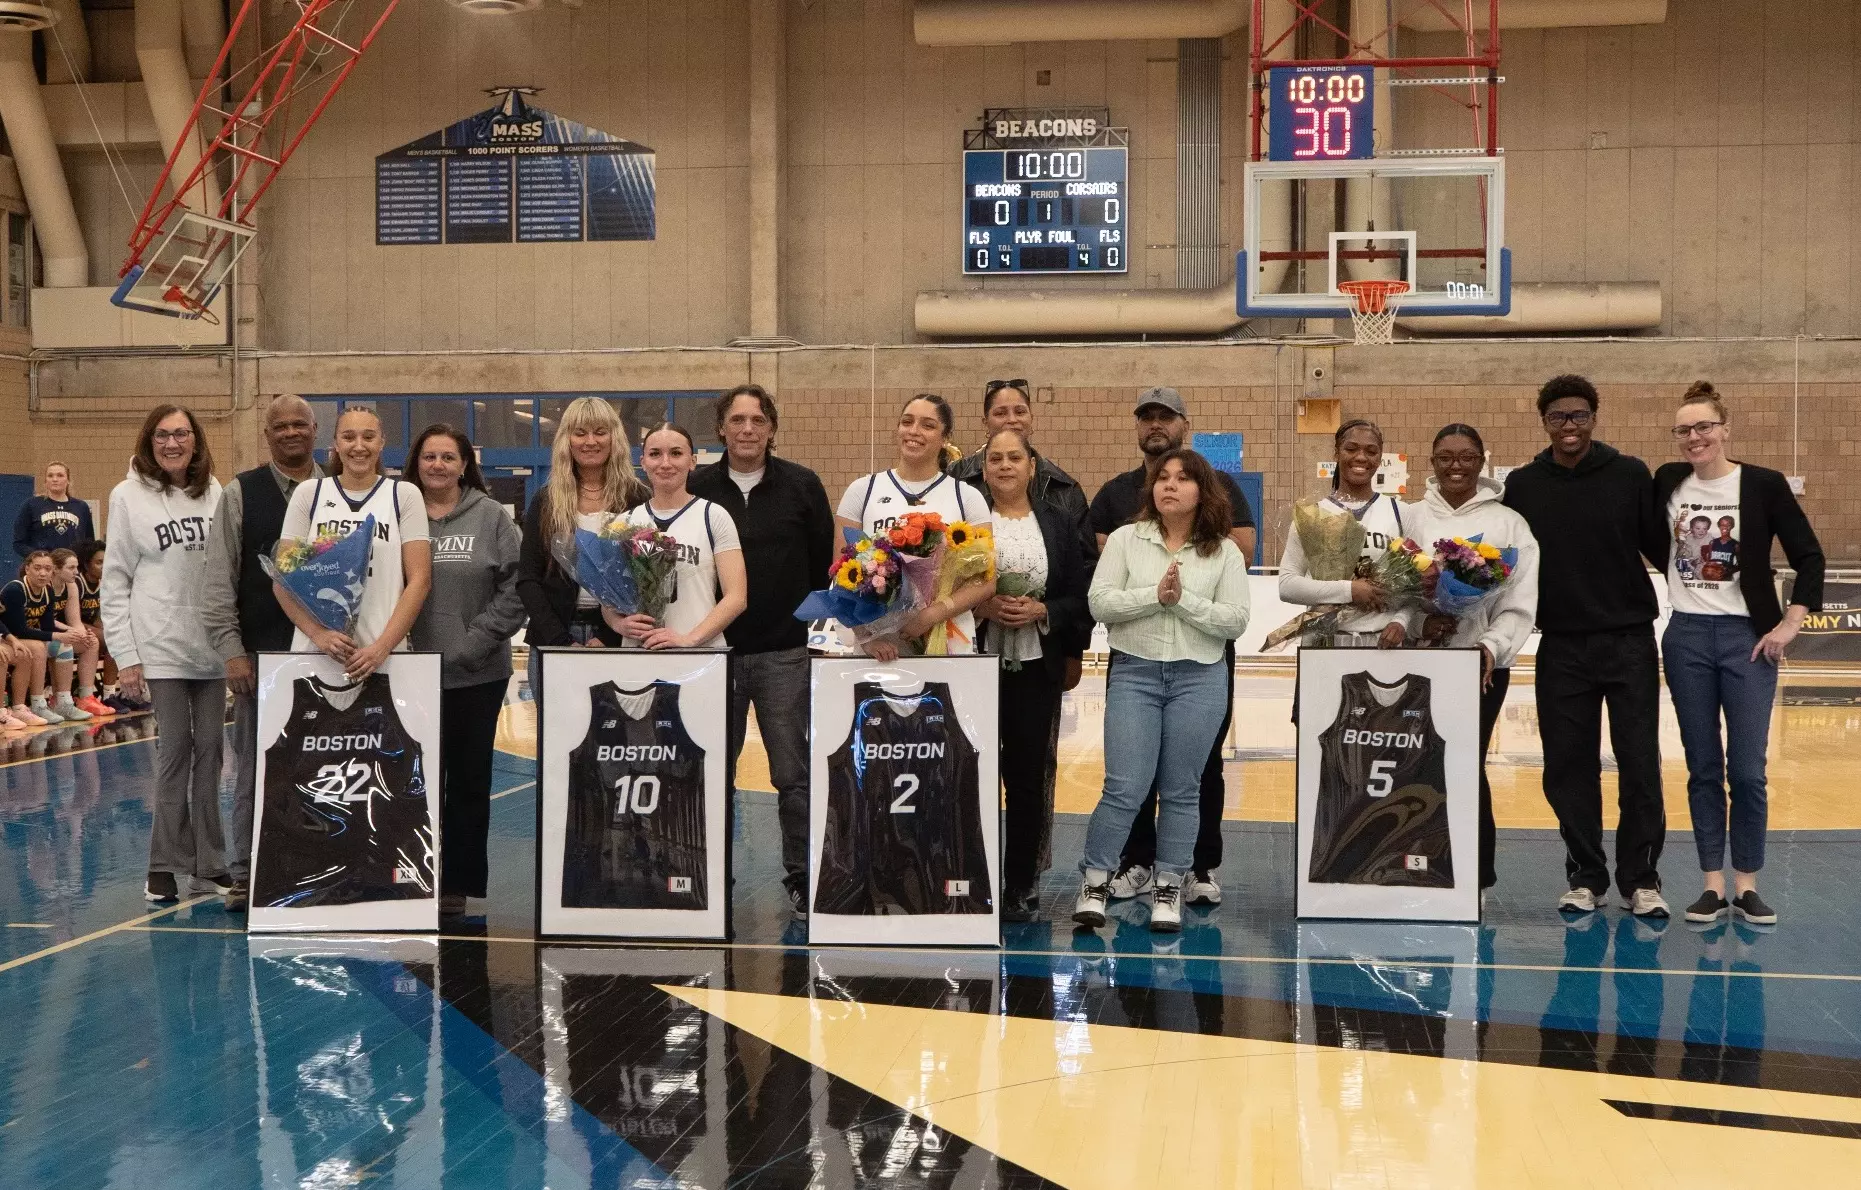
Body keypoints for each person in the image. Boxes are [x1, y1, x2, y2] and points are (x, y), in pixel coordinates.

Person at [1654, 381, 1823, 927]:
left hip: (1746, 640)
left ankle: (1747, 883)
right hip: (1685, 637)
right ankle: (1710, 884)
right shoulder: (1668, 483)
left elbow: (1809, 556)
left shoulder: (1764, 485)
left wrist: (1790, 623)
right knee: (1702, 766)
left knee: (1747, 770)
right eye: (1685, 429)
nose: (1695, 436)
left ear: (1725, 429)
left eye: (1704, 426)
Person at [1503, 374, 1670, 918]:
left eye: (1578, 416)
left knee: (1640, 765)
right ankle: (1586, 876)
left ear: (1594, 418)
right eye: (1557, 417)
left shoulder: (1629, 474)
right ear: (1544, 422)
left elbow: (1665, 550)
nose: (1569, 426)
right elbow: (1504, 564)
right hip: (1562, 649)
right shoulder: (1524, 486)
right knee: (1567, 769)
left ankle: (1641, 880)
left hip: (1629, 644)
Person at [1087, 387, 1256, 907]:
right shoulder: (1118, 505)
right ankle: (1128, 867)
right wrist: (1153, 596)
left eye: (1183, 478)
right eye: (1147, 417)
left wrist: (1181, 603)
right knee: (1127, 781)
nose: (1171, 485)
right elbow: (1103, 591)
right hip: (1136, 663)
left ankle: (1189, 871)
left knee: (1196, 777)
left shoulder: (1222, 525)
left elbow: (1238, 585)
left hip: (1201, 665)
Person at [689, 385, 835, 921]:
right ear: (721, 428)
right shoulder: (697, 488)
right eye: (737, 419)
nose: (747, 429)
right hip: (714, 656)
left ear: (772, 428)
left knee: (792, 776)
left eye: (757, 419)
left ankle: (801, 875)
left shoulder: (803, 486)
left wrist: (789, 616)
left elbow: (822, 560)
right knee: (710, 771)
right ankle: (709, 873)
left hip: (784, 654)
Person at [101, 404, 230, 904]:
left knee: (213, 753)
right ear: (148, 441)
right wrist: (126, 655)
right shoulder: (127, 496)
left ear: (195, 440)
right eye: (162, 435)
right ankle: (162, 866)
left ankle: (209, 863)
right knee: (174, 749)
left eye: (181, 434)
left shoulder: (216, 492)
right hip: (159, 645)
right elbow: (115, 582)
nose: (172, 443)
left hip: (211, 646)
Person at [1407, 424, 1540, 892]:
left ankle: (1474, 878)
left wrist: (1491, 645)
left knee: (1464, 765)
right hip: (1415, 662)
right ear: (1432, 461)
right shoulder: (1411, 517)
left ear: (1482, 460)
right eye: (1445, 457)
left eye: (1466, 456)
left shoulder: (1510, 524)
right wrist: (1421, 623)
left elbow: (1519, 601)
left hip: (1479, 668)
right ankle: (1409, 865)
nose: (1456, 465)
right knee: (1414, 769)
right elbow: (1393, 590)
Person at [199, 395, 318, 911]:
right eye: (280, 426)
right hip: (262, 657)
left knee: (322, 769)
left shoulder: (339, 490)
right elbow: (218, 581)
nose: (290, 432)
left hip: (329, 657)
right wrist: (232, 651)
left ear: (316, 430)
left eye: (300, 424)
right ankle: (247, 872)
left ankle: (321, 863)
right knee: (255, 772)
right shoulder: (240, 493)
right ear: (267, 434)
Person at [408, 423, 526, 918]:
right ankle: (410, 874)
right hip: (407, 673)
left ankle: (456, 882)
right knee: (413, 781)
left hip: (475, 674)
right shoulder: (398, 511)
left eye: (447, 457)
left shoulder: (492, 517)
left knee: (469, 782)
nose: (438, 465)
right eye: (429, 456)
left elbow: (518, 588)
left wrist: (472, 643)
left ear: (464, 464)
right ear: (416, 462)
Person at [974, 428, 1092, 922]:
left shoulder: (1061, 523)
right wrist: (984, 607)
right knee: (972, 774)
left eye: (1014, 457)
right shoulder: (967, 520)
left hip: (1035, 667)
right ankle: (969, 880)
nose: (1005, 465)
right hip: (972, 665)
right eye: (996, 458)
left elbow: (1080, 592)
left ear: (1032, 466)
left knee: (1025, 778)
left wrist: (1044, 611)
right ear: (984, 470)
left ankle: (1020, 882)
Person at [835, 394, 995, 661]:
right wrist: (866, 638)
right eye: (907, 422)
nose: (914, 431)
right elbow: (842, 574)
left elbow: (987, 581)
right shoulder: (862, 491)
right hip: (879, 647)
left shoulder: (967, 496)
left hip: (946, 636)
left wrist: (933, 614)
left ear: (945, 438)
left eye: (928, 425)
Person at [276, 407, 432, 679]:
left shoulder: (403, 495)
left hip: (383, 657)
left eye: (368, 437)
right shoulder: (309, 494)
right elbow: (282, 581)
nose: (359, 446)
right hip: (317, 655)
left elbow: (420, 581)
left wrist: (382, 648)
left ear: (381, 443)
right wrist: (319, 635)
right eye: (349, 437)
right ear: (335, 444)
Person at [516, 397, 649, 701]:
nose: (591, 441)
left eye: (600, 432)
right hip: (554, 641)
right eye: (580, 433)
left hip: (621, 639)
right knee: (557, 743)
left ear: (614, 437)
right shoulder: (546, 500)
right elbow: (528, 579)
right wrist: (562, 642)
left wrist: (611, 635)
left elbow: (649, 578)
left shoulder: (638, 497)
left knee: (615, 743)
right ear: (567, 440)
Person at [608, 424, 748, 649]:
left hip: (700, 655)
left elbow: (737, 597)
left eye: (676, 453)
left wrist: (689, 639)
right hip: (639, 653)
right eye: (655, 454)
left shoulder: (713, 516)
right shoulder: (623, 524)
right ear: (643, 462)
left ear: (692, 461)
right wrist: (618, 624)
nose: (665, 463)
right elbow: (609, 599)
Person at [1, 550, 92, 726]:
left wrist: (69, 635)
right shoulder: (15, 590)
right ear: (27, 569)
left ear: (52, 572)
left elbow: (48, 626)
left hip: (24, 639)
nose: (43, 573)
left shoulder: (47, 590)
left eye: (47, 569)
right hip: (11, 637)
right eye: (37, 568)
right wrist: (56, 635)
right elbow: (20, 630)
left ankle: (63, 703)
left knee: (63, 645)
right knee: (37, 647)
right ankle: (36, 704)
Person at [43, 548, 98, 721]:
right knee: (63, 644)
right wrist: (69, 632)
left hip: (57, 633)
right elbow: (44, 621)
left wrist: (82, 634)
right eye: (71, 568)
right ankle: (61, 701)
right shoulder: (45, 585)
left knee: (92, 642)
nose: (76, 572)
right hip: (38, 633)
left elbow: (75, 620)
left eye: (77, 567)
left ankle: (86, 697)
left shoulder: (71, 586)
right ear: (56, 569)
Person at [76, 542, 125, 712]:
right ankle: (100, 695)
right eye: (99, 562)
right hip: (70, 627)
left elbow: (98, 618)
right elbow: (71, 619)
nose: (104, 567)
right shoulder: (77, 583)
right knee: (111, 638)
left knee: (119, 637)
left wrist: (108, 631)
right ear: (86, 564)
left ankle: (110, 694)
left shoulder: (103, 584)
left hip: (89, 627)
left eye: (106, 562)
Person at [13, 461, 94, 557]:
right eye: (50, 476)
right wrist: (38, 556)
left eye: (60, 475)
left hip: (71, 566)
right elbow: (18, 543)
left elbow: (89, 542)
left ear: (68, 480)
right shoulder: (32, 505)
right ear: (45, 481)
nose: (55, 479)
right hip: (44, 567)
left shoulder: (81, 507)